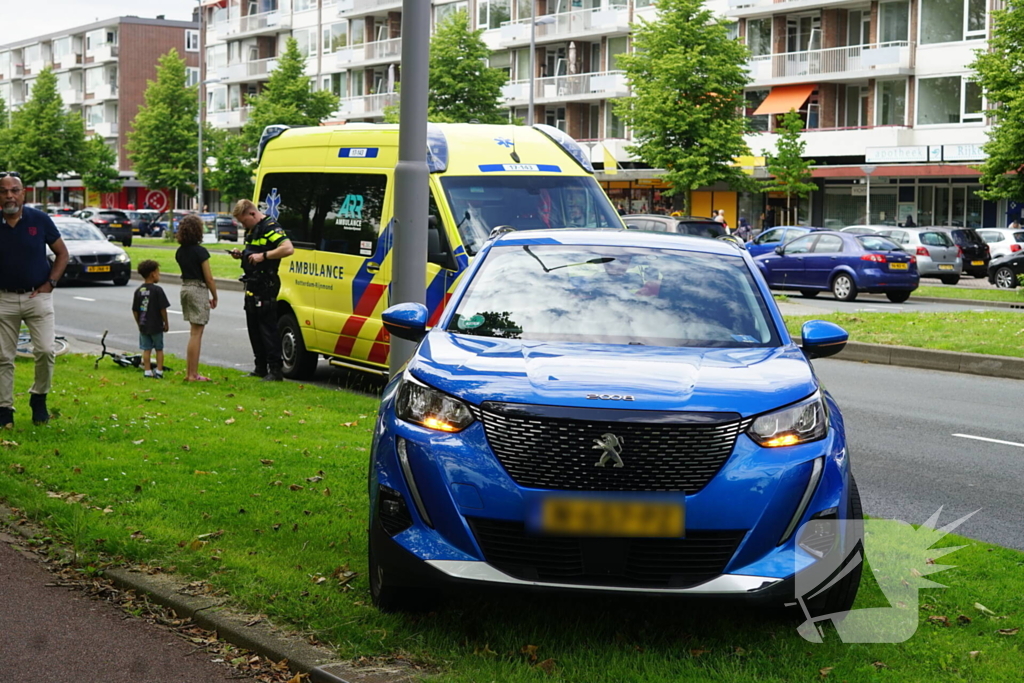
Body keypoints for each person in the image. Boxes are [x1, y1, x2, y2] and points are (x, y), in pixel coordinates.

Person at [0, 172, 69, 428]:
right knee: (3, 357)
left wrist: (50, 283)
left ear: (23, 193)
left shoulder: (39, 220)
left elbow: (62, 253)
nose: (9, 195)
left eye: (14, 190)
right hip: (3, 299)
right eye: (4, 191)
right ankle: (4, 409)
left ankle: (38, 397)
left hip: (37, 297)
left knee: (45, 350)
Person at [230, 199, 295, 381]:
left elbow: (288, 248)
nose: (244, 226)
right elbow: (253, 252)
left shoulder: (270, 227)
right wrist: (242, 254)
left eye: (244, 221)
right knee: (254, 327)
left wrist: (264, 256)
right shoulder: (252, 229)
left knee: (267, 327)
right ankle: (260, 367)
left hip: (267, 283)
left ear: (252, 213)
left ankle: (275, 370)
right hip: (253, 282)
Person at [175, 215, 218, 382]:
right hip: (198, 289)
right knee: (197, 333)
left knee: (193, 332)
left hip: (185, 287)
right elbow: (209, 278)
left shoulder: (180, 252)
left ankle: (189, 373)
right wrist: (214, 295)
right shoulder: (201, 252)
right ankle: (193, 374)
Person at [131, 260, 170, 379]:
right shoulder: (158, 290)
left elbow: (135, 310)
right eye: (158, 272)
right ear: (153, 274)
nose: (159, 275)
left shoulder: (139, 291)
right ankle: (159, 371)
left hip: (144, 325)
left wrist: (139, 323)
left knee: (146, 349)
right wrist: (166, 322)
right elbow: (162, 308)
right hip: (156, 325)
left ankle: (147, 371)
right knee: (159, 348)